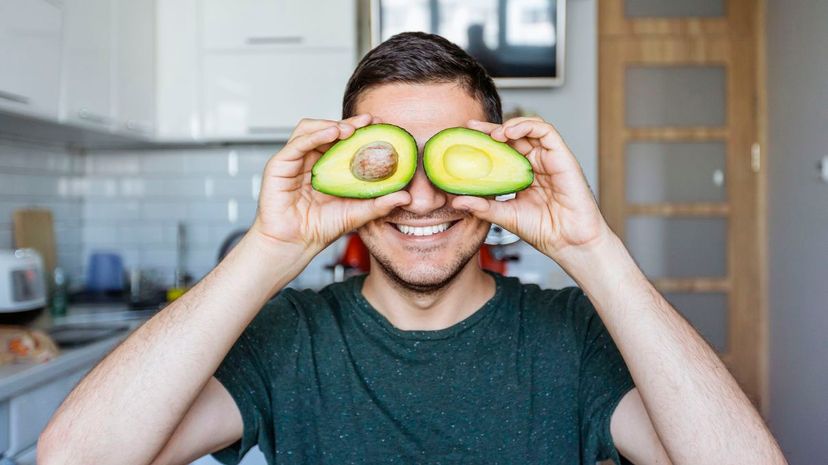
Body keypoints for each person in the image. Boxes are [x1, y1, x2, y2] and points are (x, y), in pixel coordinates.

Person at [38, 32, 786, 465]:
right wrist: (269, 247)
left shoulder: (574, 336)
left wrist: (592, 248)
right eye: (391, 167)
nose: (422, 199)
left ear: (497, 176)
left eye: (450, 164)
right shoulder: (287, 338)